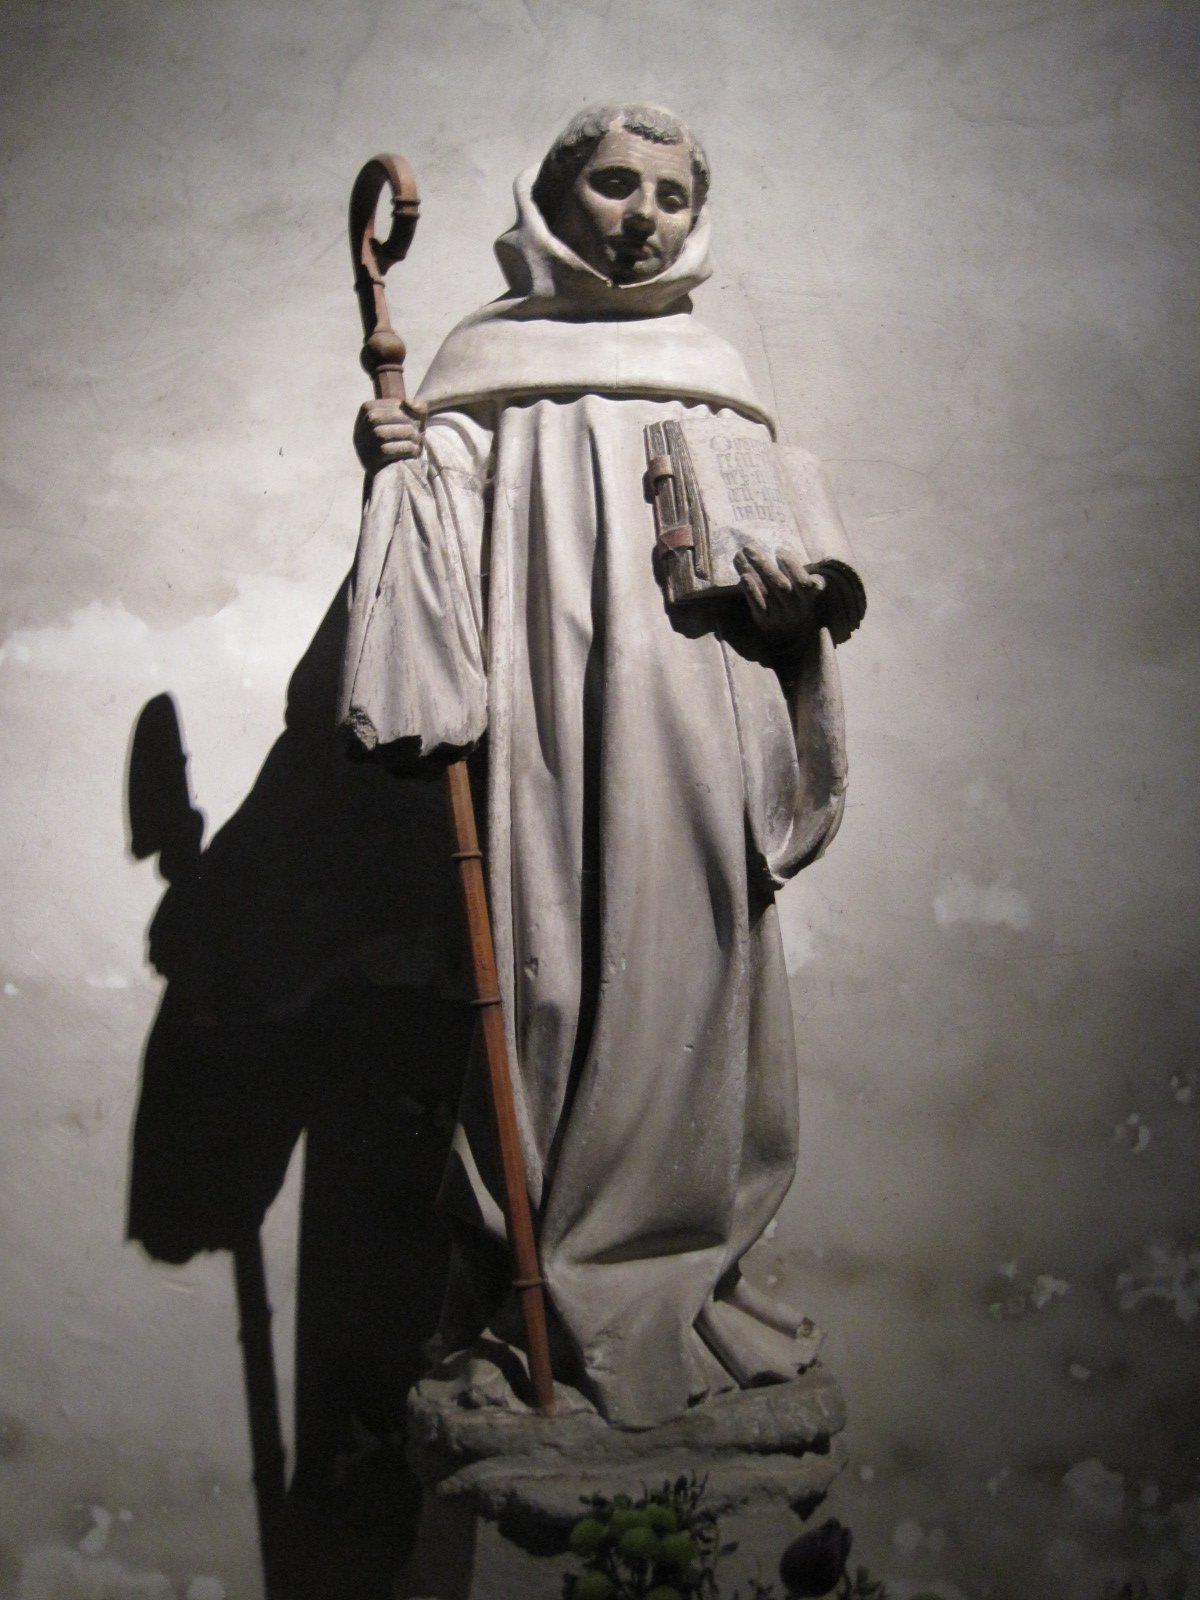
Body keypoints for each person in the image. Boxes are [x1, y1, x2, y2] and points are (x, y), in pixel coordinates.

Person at [339, 104, 865, 1428]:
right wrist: (401, 464)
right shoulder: (485, 363)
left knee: (700, 977)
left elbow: (775, 580)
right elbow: (437, 553)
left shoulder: (715, 370)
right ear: (554, 198)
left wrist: (793, 612)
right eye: (617, 185)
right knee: (555, 985)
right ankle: (535, 1298)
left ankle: (688, 1281)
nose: (645, 217)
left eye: (672, 196)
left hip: (696, 722)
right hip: (554, 724)